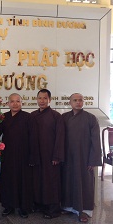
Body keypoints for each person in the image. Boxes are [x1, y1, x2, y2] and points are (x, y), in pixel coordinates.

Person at [61, 93, 102, 223]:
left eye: (80, 100)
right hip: (68, 157)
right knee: (68, 181)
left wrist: (93, 160)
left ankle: (83, 210)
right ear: (70, 102)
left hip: (84, 158)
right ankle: (68, 207)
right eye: (75, 100)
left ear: (83, 102)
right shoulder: (64, 117)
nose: (78, 102)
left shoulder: (91, 118)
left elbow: (96, 141)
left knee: (84, 183)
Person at [0, 93, 33, 218]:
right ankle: (8, 206)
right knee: (8, 180)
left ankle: (23, 207)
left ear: (21, 103)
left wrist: (32, 156)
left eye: (17, 101)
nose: (15, 103)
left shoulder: (28, 117)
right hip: (8, 155)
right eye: (12, 101)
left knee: (23, 181)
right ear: (8, 103)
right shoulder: (3, 117)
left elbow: (33, 138)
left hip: (24, 155)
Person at [31, 89, 65, 219]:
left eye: (45, 98)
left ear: (50, 100)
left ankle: (53, 210)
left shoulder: (56, 116)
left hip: (51, 156)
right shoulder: (32, 115)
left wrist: (57, 156)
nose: (42, 101)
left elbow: (60, 137)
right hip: (37, 155)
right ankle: (40, 205)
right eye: (40, 98)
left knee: (51, 181)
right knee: (38, 180)